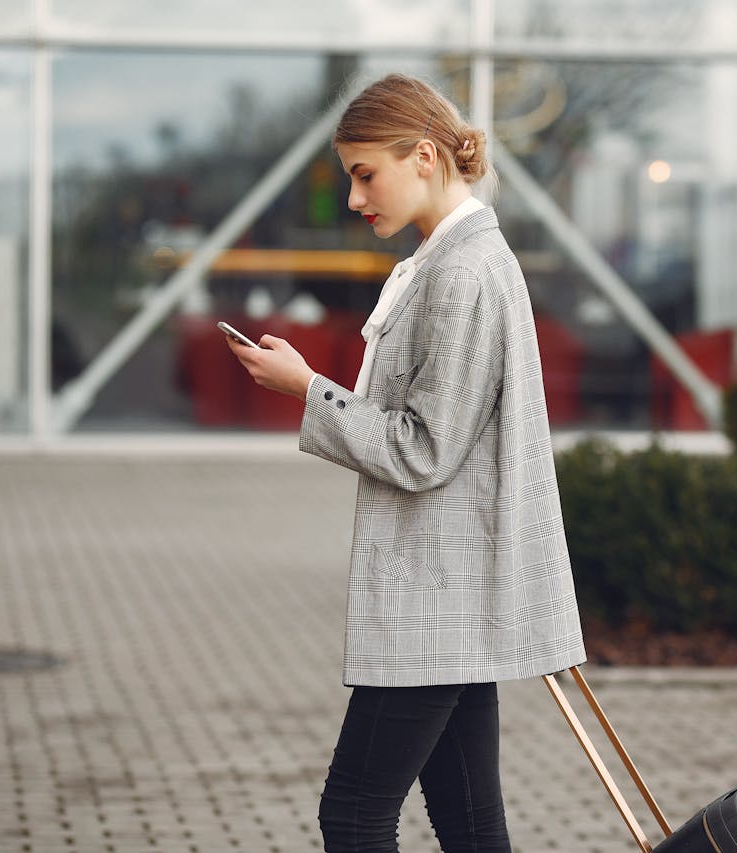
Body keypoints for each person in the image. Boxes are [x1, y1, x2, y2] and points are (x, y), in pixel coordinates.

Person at [224, 72, 586, 853]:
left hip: (439, 593)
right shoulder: (457, 257)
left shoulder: (460, 270)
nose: (356, 199)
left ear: (422, 156)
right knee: (468, 824)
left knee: (353, 815)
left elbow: (424, 449)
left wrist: (308, 389)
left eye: (364, 173)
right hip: (453, 590)